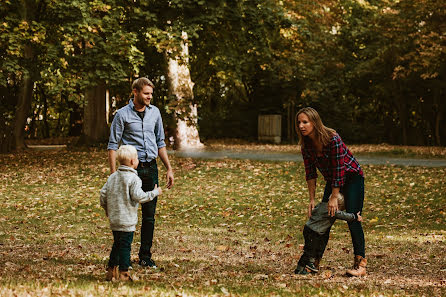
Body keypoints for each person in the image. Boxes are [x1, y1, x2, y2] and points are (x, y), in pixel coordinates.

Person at [108, 77, 174, 269]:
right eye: (146, 93)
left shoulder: (155, 113)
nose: (149, 97)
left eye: (151, 94)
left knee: (149, 216)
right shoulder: (122, 115)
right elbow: (113, 146)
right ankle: (120, 258)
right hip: (130, 172)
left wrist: (168, 168)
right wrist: (114, 176)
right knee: (125, 216)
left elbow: (160, 142)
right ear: (135, 92)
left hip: (151, 168)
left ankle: (145, 256)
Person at [295, 107, 366, 277]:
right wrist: (312, 199)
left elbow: (339, 169)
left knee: (352, 217)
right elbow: (310, 173)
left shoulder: (332, 139)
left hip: (352, 178)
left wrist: (334, 196)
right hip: (333, 180)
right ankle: (313, 262)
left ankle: (360, 264)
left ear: (315, 122)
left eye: (305, 122)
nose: (301, 126)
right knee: (325, 218)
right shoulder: (306, 145)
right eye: (299, 122)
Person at [100, 145, 162, 281]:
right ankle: (124, 272)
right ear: (133, 162)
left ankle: (111, 270)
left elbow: (103, 194)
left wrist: (107, 209)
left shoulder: (112, 177)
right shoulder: (134, 179)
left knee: (117, 243)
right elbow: (139, 197)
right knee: (125, 246)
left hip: (114, 218)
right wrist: (154, 192)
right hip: (126, 219)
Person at [294, 194, 363, 275]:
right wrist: (355, 216)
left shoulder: (322, 205)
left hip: (309, 229)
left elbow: (315, 210)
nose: (339, 209)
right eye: (340, 207)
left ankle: (304, 266)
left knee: (311, 249)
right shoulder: (331, 210)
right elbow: (342, 215)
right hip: (313, 232)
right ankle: (302, 267)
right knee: (309, 251)